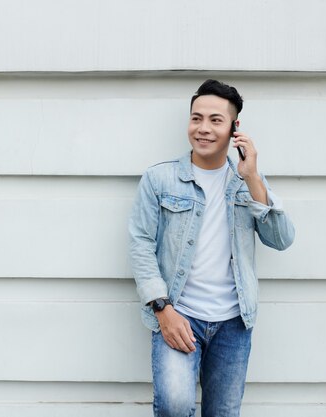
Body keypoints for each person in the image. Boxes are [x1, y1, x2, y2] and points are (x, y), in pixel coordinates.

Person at [128, 79, 295, 417]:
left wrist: (253, 178)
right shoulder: (159, 179)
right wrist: (163, 309)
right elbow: (140, 245)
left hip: (233, 322)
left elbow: (281, 239)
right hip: (178, 314)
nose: (203, 128)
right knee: (174, 407)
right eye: (196, 118)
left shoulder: (246, 181)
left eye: (215, 120)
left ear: (235, 128)